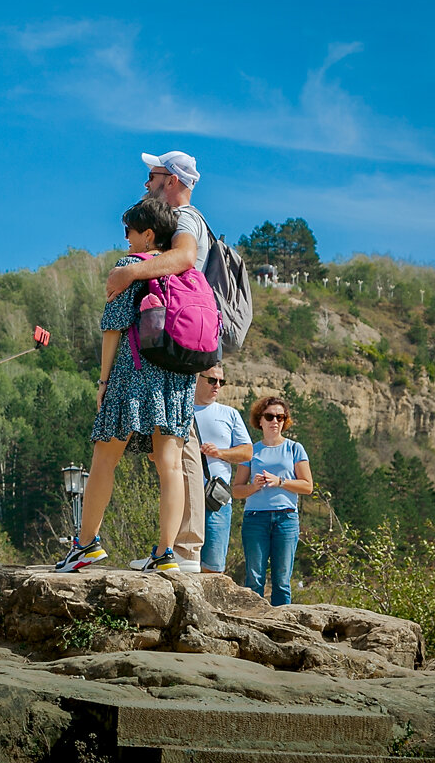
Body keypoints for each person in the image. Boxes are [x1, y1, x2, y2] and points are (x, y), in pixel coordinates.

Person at [57, 198, 194, 572]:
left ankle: (86, 545)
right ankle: (166, 554)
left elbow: (112, 328)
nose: (126, 239)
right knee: (170, 464)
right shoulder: (183, 271)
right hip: (178, 377)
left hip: (134, 374)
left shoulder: (130, 268)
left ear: (147, 234)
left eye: (129, 232)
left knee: (104, 458)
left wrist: (103, 381)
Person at [107, 150, 210, 573]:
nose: (146, 183)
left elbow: (184, 258)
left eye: (152, 176)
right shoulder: (187, 218)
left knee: (177, 453)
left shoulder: (184, 219)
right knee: (175, 449)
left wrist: (131, 272)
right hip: (185, 341)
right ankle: (176, 549)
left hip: (173, 343)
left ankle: (181, 551)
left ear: (171, 180)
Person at [231, 396, 314, 605]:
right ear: (260, 420)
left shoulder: (295, 449)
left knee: (282, 581)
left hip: (286, 519)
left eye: (280, 417)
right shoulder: (250, 451)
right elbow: (236, 490)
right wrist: (254, 487)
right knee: (254, 579)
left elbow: (307, 485)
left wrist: (280, 481)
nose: (275, 421)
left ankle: (281, 629)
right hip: (255, 519)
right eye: (269, 416)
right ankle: (255, 623)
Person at [192, 364, 252, 574]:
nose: (217, 385)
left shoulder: (229, 414)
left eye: (221, 382)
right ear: (196, 378)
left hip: (216, 500)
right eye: (211, 380)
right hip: (184, 498)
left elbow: (247, 453)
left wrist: (220, 453)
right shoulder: (180, 410)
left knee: (212, 567)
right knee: (184, 564)